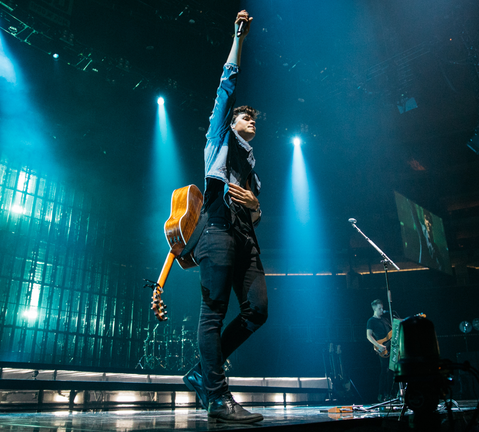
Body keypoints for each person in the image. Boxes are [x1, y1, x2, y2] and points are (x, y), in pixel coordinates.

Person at [181, 10, 266, 424]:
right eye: (245, 115)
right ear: (231, 122)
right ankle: (216, 396)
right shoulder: (219, 138)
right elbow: (226, 86)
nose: (251, 119)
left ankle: (202, 372)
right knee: (212, 312)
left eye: (254, 118)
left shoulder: (252, 166)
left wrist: (255, 205)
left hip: (246, 237)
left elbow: (259, 213)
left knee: (258, 309)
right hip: (216, 231)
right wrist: (239, 37)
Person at [366, 299, 394, 402]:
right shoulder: (371, 321)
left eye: (382, 308)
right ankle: (381, 394)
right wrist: (378, 345)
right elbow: (368, 336)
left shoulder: (385, 320)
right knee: (384, 371)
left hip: (391, 348)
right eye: (379, 308)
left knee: (391, 371)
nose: (382, 310)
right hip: (381, 348)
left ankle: (390, 394)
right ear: (374, 308)